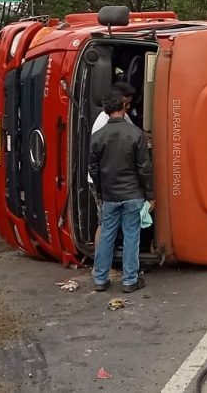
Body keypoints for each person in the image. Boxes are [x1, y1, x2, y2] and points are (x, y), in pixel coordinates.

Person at [89, 92, 154, 293]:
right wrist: (150, 194)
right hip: (133, 194)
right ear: (124, 107)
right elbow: (144, 167)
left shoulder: (97, 137)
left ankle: (100, 278)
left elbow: (94, 169)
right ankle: (129, 280)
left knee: (107, 234)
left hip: (110, 195)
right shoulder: (135, 134)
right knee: (131, 235)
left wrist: (100, 191)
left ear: (106, 111)